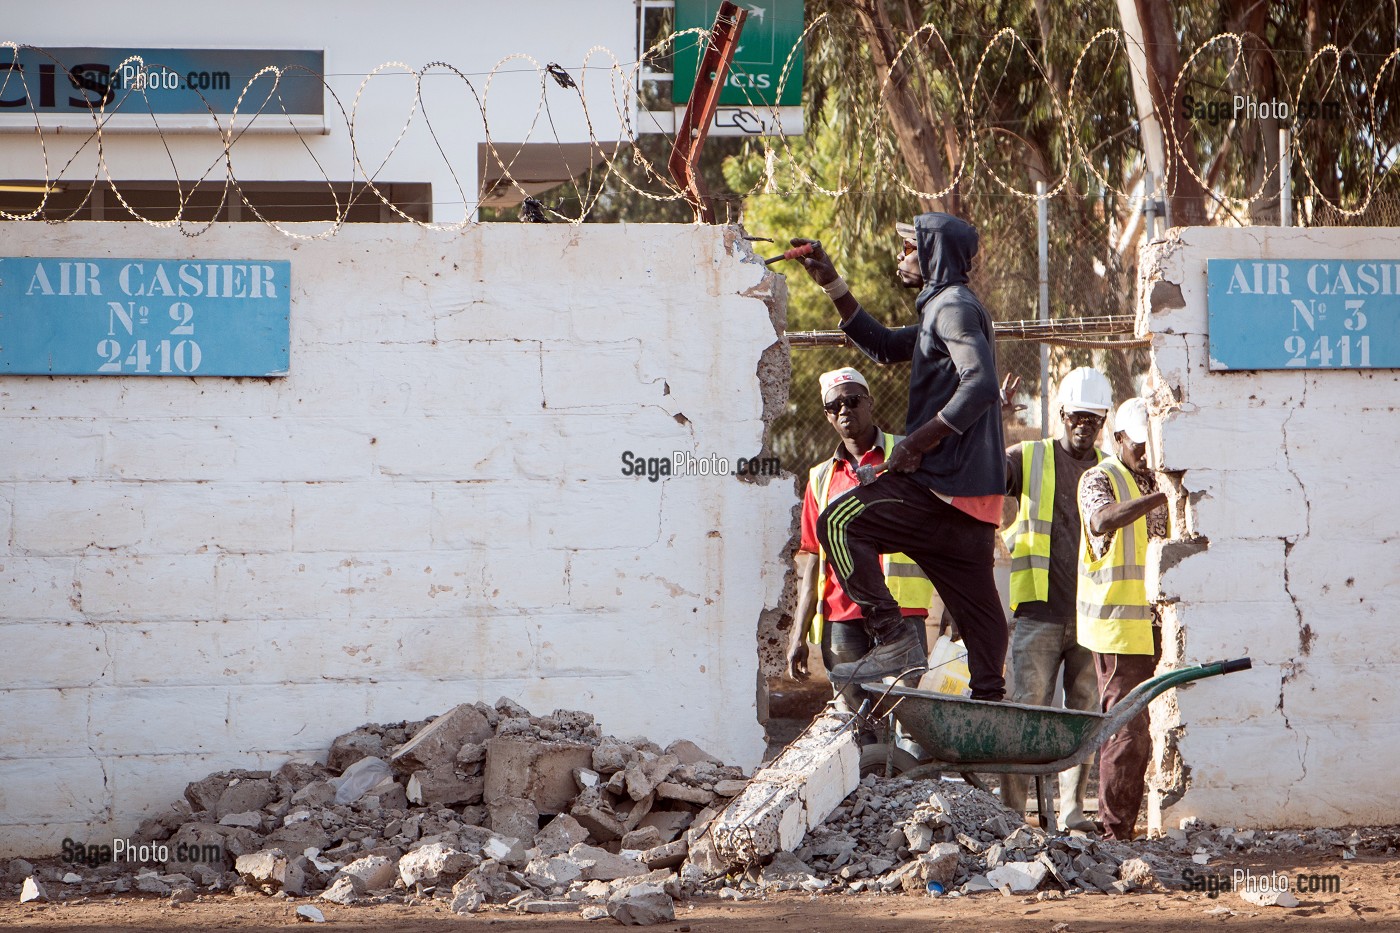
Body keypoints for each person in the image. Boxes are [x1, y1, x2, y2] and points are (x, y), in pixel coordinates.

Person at [791, 214, 1008, 700]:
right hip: (968, 500)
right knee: (980, 613)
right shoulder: (947, 308)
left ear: (933, 254)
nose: (901, 256)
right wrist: (832, 283)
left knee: (840, 522)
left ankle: (892, 638)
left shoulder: (951, 307)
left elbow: (982, 383)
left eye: (910, 247)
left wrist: (914, 444)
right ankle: (991, 701)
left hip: (941, 485)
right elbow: (886, 346)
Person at [999, 367, 1113, 832]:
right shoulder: (1031, 457)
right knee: (1026, 716)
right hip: (1038, 614)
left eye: (1093, 418)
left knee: (1083, 716)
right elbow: (985, 467)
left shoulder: (1111, 469)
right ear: (1062, 415)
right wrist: (999, 419)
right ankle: (1009, 816)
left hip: (1091, 616)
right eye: (1076, 417)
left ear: (1102, 421)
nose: (1084, 426)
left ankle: (1071, 811)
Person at [787, 367, 934, 710]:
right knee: (853, 723)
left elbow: (940, 530)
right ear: (827, 416)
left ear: (869, 403)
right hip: (842, 620)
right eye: (834, 406)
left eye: (852, 401)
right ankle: (865, 767)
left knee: (908, 719)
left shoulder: (906, 455)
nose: (844, 410)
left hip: (902, 615)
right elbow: (813, 561)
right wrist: (798, 633)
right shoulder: (821, 478)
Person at [1077, 396, 1170, 841]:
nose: (1147, 454)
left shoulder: (1155, 478)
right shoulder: (1100, 478)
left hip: (1154, 627)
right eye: (1138, 445)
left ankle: (1123, 829)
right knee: (1126, 734)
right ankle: (1114, 836)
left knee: (1142, 735)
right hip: (1117, 629)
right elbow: (1101, 521)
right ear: (1117, 440)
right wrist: (1161, 495)